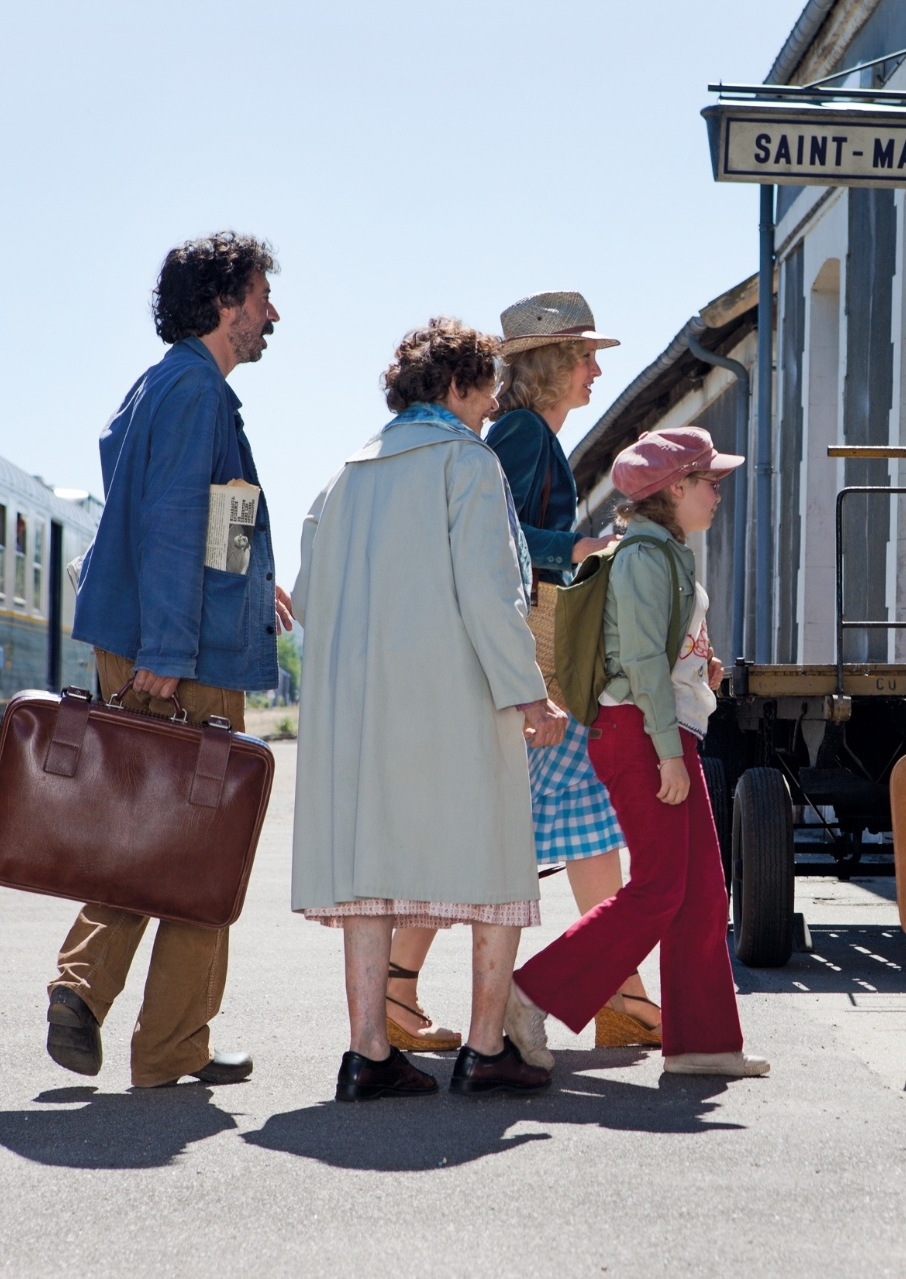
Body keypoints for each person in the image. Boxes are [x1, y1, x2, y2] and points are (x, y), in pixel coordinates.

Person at [290, 317, 567, 1101]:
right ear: (455, 386)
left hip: (360, 707)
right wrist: (528, 690)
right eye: (485, 391)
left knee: (370, 878)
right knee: (497, 860)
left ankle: (367, 1052)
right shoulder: (466, 462)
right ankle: (485, 1048)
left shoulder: (344, 475)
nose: (490, 409)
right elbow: (490, 593)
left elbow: (309, 597)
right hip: (455, 699)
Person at [49, 231, 288, 1089]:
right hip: (180, 650)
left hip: (162, 634)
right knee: (204, 841)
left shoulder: (164, 384)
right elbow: (177, 519)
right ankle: (171, 1045)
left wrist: (253, 587)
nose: (272, 313)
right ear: (224, 301)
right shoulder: (197, 393)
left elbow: (181, 510)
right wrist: (171, 647)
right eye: (261, 295)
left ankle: (84, 988)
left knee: (145, 830)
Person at [506, 427, 768, 1079]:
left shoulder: (664, 551)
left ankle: (702, 1041)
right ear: (674, 488)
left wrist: (696, 676)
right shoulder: (647, 558)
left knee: (703, 892)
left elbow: (661, 656)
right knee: (658, 888)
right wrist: (668, 754)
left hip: (661, 728)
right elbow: (643, 663)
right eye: (709, 481)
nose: (716, 492)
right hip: (644, 735)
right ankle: (530, 992)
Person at [479, 289, 663, 1050]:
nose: (594, 369)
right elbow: (499, 534)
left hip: (541, 658)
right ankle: (395, 986)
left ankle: (621, 992)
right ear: (552, 364)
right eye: (585, 355)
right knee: (511, 828)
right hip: (535, 655)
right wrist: (577, 551)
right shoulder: (522, 433)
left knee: (579, 813)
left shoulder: (532, 434)